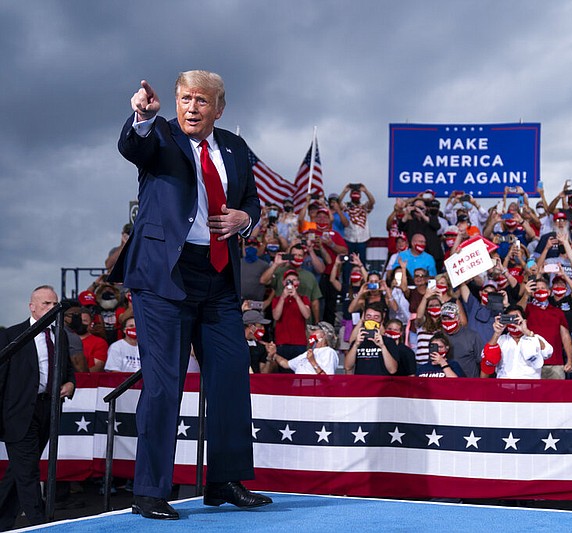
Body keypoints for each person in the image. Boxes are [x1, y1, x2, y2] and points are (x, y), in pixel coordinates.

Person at [111, 71, 270, 519]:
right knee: (164, 385)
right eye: (185, 99)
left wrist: (245, 219)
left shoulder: (236, 148)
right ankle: (150, 490)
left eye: (201, 100)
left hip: (218, 278)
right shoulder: (158, 136)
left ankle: (224, 481)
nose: (191, 107)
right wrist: (141, 116)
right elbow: (132, 146)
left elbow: (253, 203)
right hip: (164, 278)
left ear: (220, 108)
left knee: (232, 375)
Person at [0, 286, 76, 529]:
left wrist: (70, 383)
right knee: (28, 472)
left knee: (19, 471)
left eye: (55, 305)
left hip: (47, 410)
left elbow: (67, 369)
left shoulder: (60, 335)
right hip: (19, 412)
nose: (52, 309)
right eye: (46, 304)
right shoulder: (12, 335)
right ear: (32, 306)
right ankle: (40, 524)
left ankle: (2, 519)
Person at [479, 306, 554, 379]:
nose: (513, 323)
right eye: (510, 319)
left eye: (516, 318)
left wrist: (527, 332)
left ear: (524, 321)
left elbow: (548, 352)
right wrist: (497, 333)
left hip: (530, 387)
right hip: (505, 386)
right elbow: (487, 359)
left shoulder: (534, 337)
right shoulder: (500, 339)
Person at [344, 304, 399, 375]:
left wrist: (382, 346)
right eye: (368, 316)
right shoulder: (358, 341)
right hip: (362, 384)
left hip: (381, 384)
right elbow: (347, 367)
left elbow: (392, 370)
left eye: (376, 317)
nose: (372, 320)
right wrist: (355, 345)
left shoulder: (389, 342)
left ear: (381, 321)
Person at [267, 322, 339, 375]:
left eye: (315, 330)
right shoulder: (309, 352)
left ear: (323, 335)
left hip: (313, 391)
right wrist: (274, 354)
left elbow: (328, 379)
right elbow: (285, 364)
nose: (311, 333)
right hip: (299, 390)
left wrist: (313, 361)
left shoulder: (328, 352)